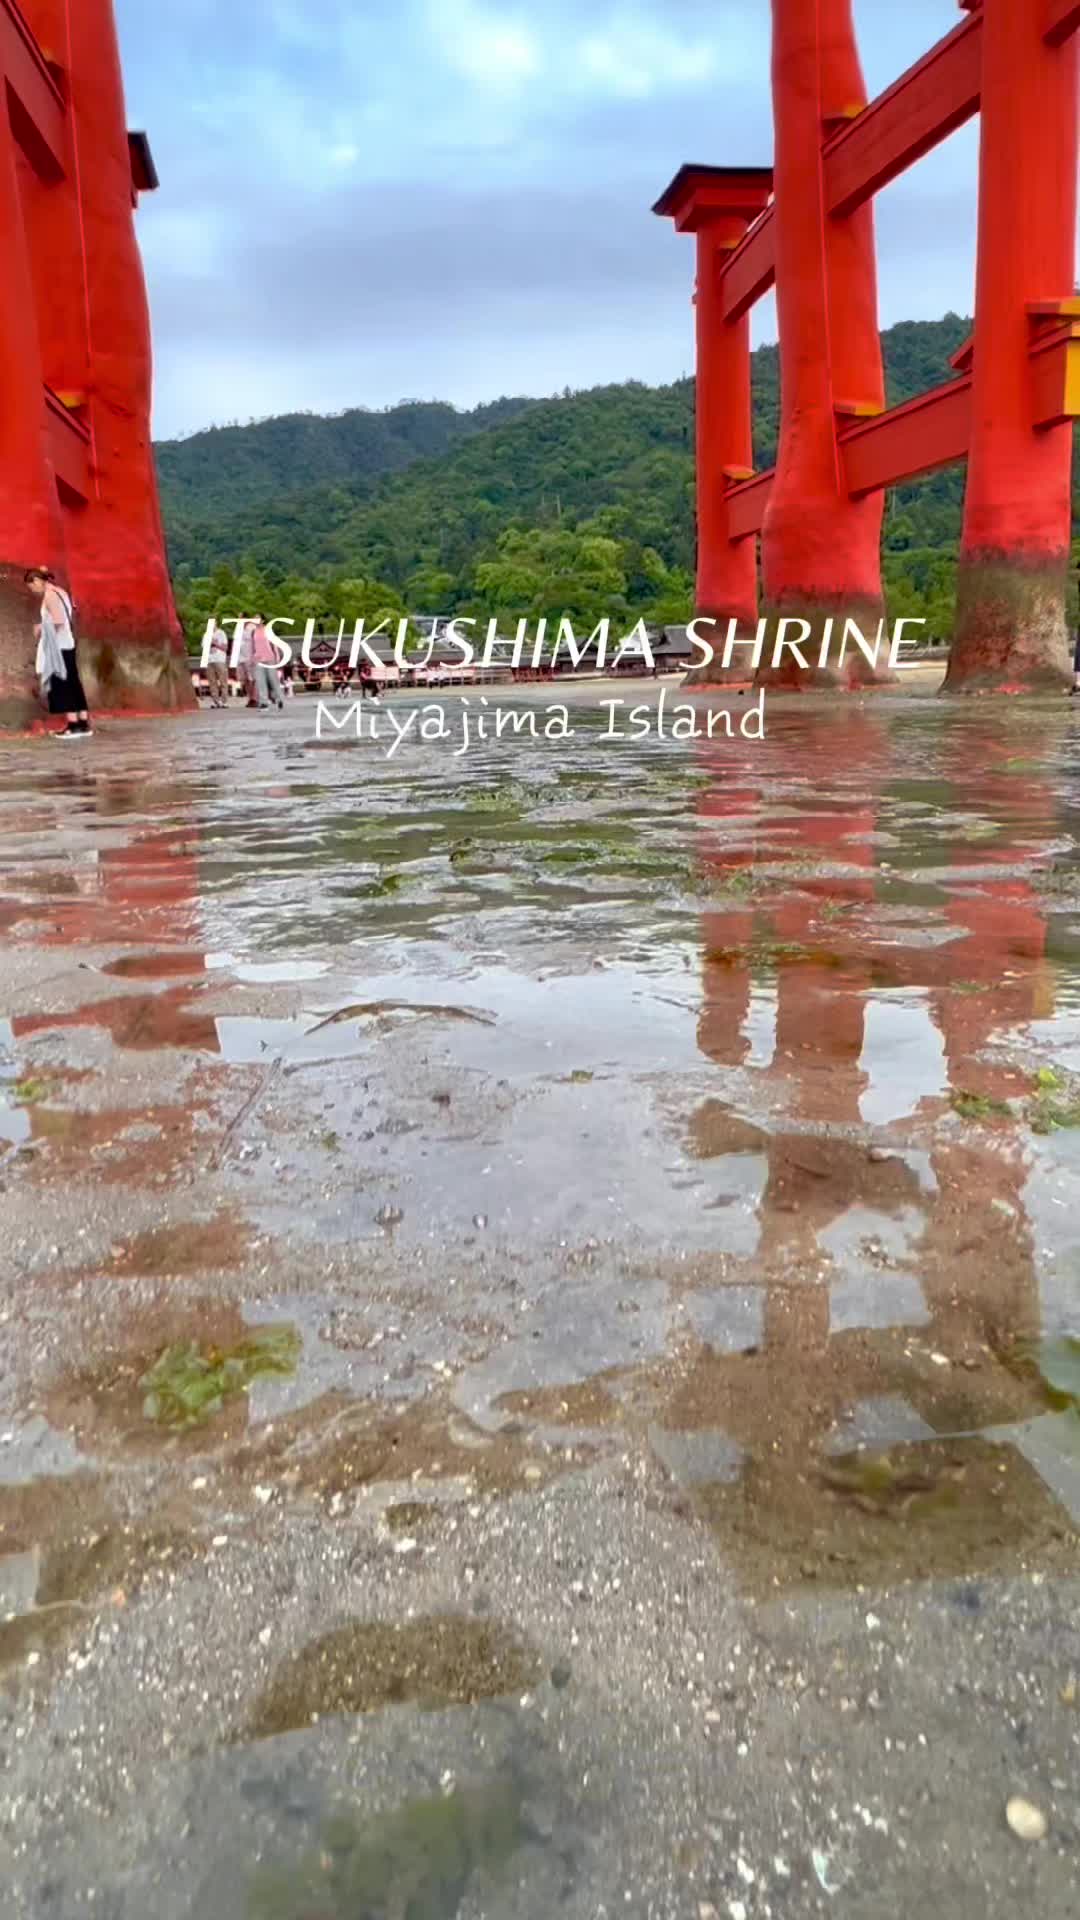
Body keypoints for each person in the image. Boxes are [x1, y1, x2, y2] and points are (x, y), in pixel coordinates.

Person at [26, 568, 92, 739]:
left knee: (62, 685)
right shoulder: (61, 591)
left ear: (37, 581)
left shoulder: (50, 595)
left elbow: (58, 621)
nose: (33, 591)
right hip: (67, 643)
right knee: (73, 683)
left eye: (32, 587)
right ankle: (83, 723)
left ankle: (72, 725)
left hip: (58, 646)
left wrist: (40, 627)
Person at [251, 616, 285, 709]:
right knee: (260, 681)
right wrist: (252, 658)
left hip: (269, 658)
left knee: (273, 679)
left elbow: (274, 644)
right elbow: (252, 646)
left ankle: (279, 699)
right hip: (258, 659)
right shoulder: (253, 632)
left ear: (263, 620)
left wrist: (277, 658)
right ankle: (263, 701)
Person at [235, 618, 258, 707]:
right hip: (240, 657)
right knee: (244, 679)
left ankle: (255, 698)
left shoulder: (252, 628)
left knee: (252, 679)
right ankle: (250, 698)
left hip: (250, 656)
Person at [206, 623, 230, 707]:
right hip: (209, 660)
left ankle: (224, 701)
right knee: (212, 682)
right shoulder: (206, 634)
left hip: (219, 659)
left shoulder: (221, 633)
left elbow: (225, 648)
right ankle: (216, 701)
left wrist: (215, 644)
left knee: (223, 680)